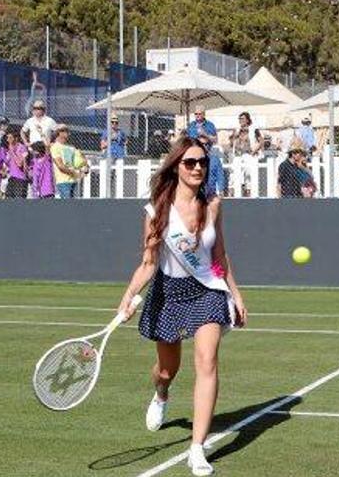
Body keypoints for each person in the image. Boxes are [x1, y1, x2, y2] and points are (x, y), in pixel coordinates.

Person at [114, 137, 247, 477]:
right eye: (190, 162)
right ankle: (161, 393)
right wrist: (128, 297)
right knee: (166, 369)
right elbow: (147, 262)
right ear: (176, 166)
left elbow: (219, 258)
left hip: (207, 291)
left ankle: (197, 448)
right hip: (168, 291)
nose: (198, 168)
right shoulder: (157, 210)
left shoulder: (213, 205)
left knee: (207, 360)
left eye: (203, 161)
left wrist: (235, 295)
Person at [187, 106, 223, 197]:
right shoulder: (191, 125)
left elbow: (215, 140)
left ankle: (210, 192)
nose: (197, 116)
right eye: (196, 114)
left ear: (203, 114)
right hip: (194, 154)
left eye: (199, 114)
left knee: (211, 171)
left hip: (207, 153)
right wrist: (199, 140)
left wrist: (205, 134)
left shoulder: (210, 125)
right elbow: (188, 139)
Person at [51, 124, 89, 199]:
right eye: (66, 131)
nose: (68, 133)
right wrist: (75, 172)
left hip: (74, 181)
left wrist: (86, 167)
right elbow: (60, 166)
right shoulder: (55, 147)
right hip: (63, 182)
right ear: (59, 133)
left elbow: (82, 160)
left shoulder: (72, 147)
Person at [4, 131, 29, 199]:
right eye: (7, 138)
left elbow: (20, 164)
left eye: (10, 138)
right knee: (8, 197)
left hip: (20, 178)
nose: (8, 140)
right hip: (12, 177)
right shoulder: (10, 148)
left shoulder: (22, 148)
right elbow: (7, 162)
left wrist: (12, 151)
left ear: (16, 138)